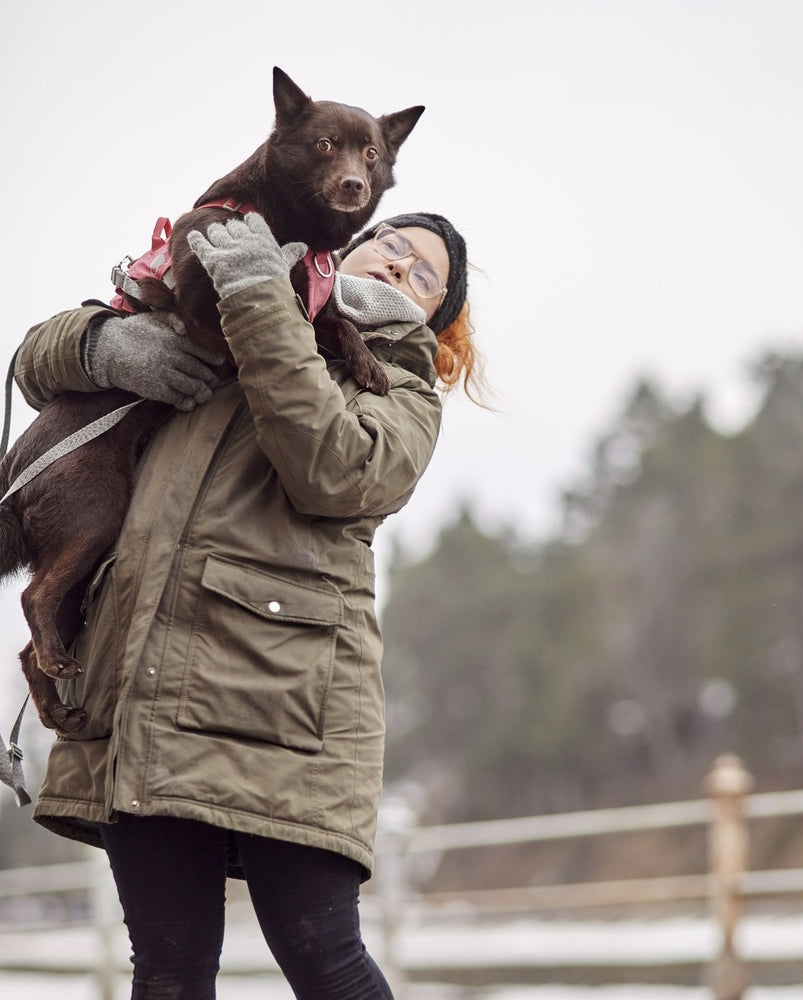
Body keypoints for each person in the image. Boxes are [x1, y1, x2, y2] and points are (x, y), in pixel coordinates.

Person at [12, 210, 480, 1000]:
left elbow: (332, 469)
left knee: (326, 965)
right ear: (350, 246)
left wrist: (262, 295)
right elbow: (34, 364)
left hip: (288, 710)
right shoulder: (214, 308)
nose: (401, 267)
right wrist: (103, 347)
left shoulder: (400, 385)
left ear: (435, 316)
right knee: (167, 975)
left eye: (424, 275)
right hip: (146, 693)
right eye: (391, 245)